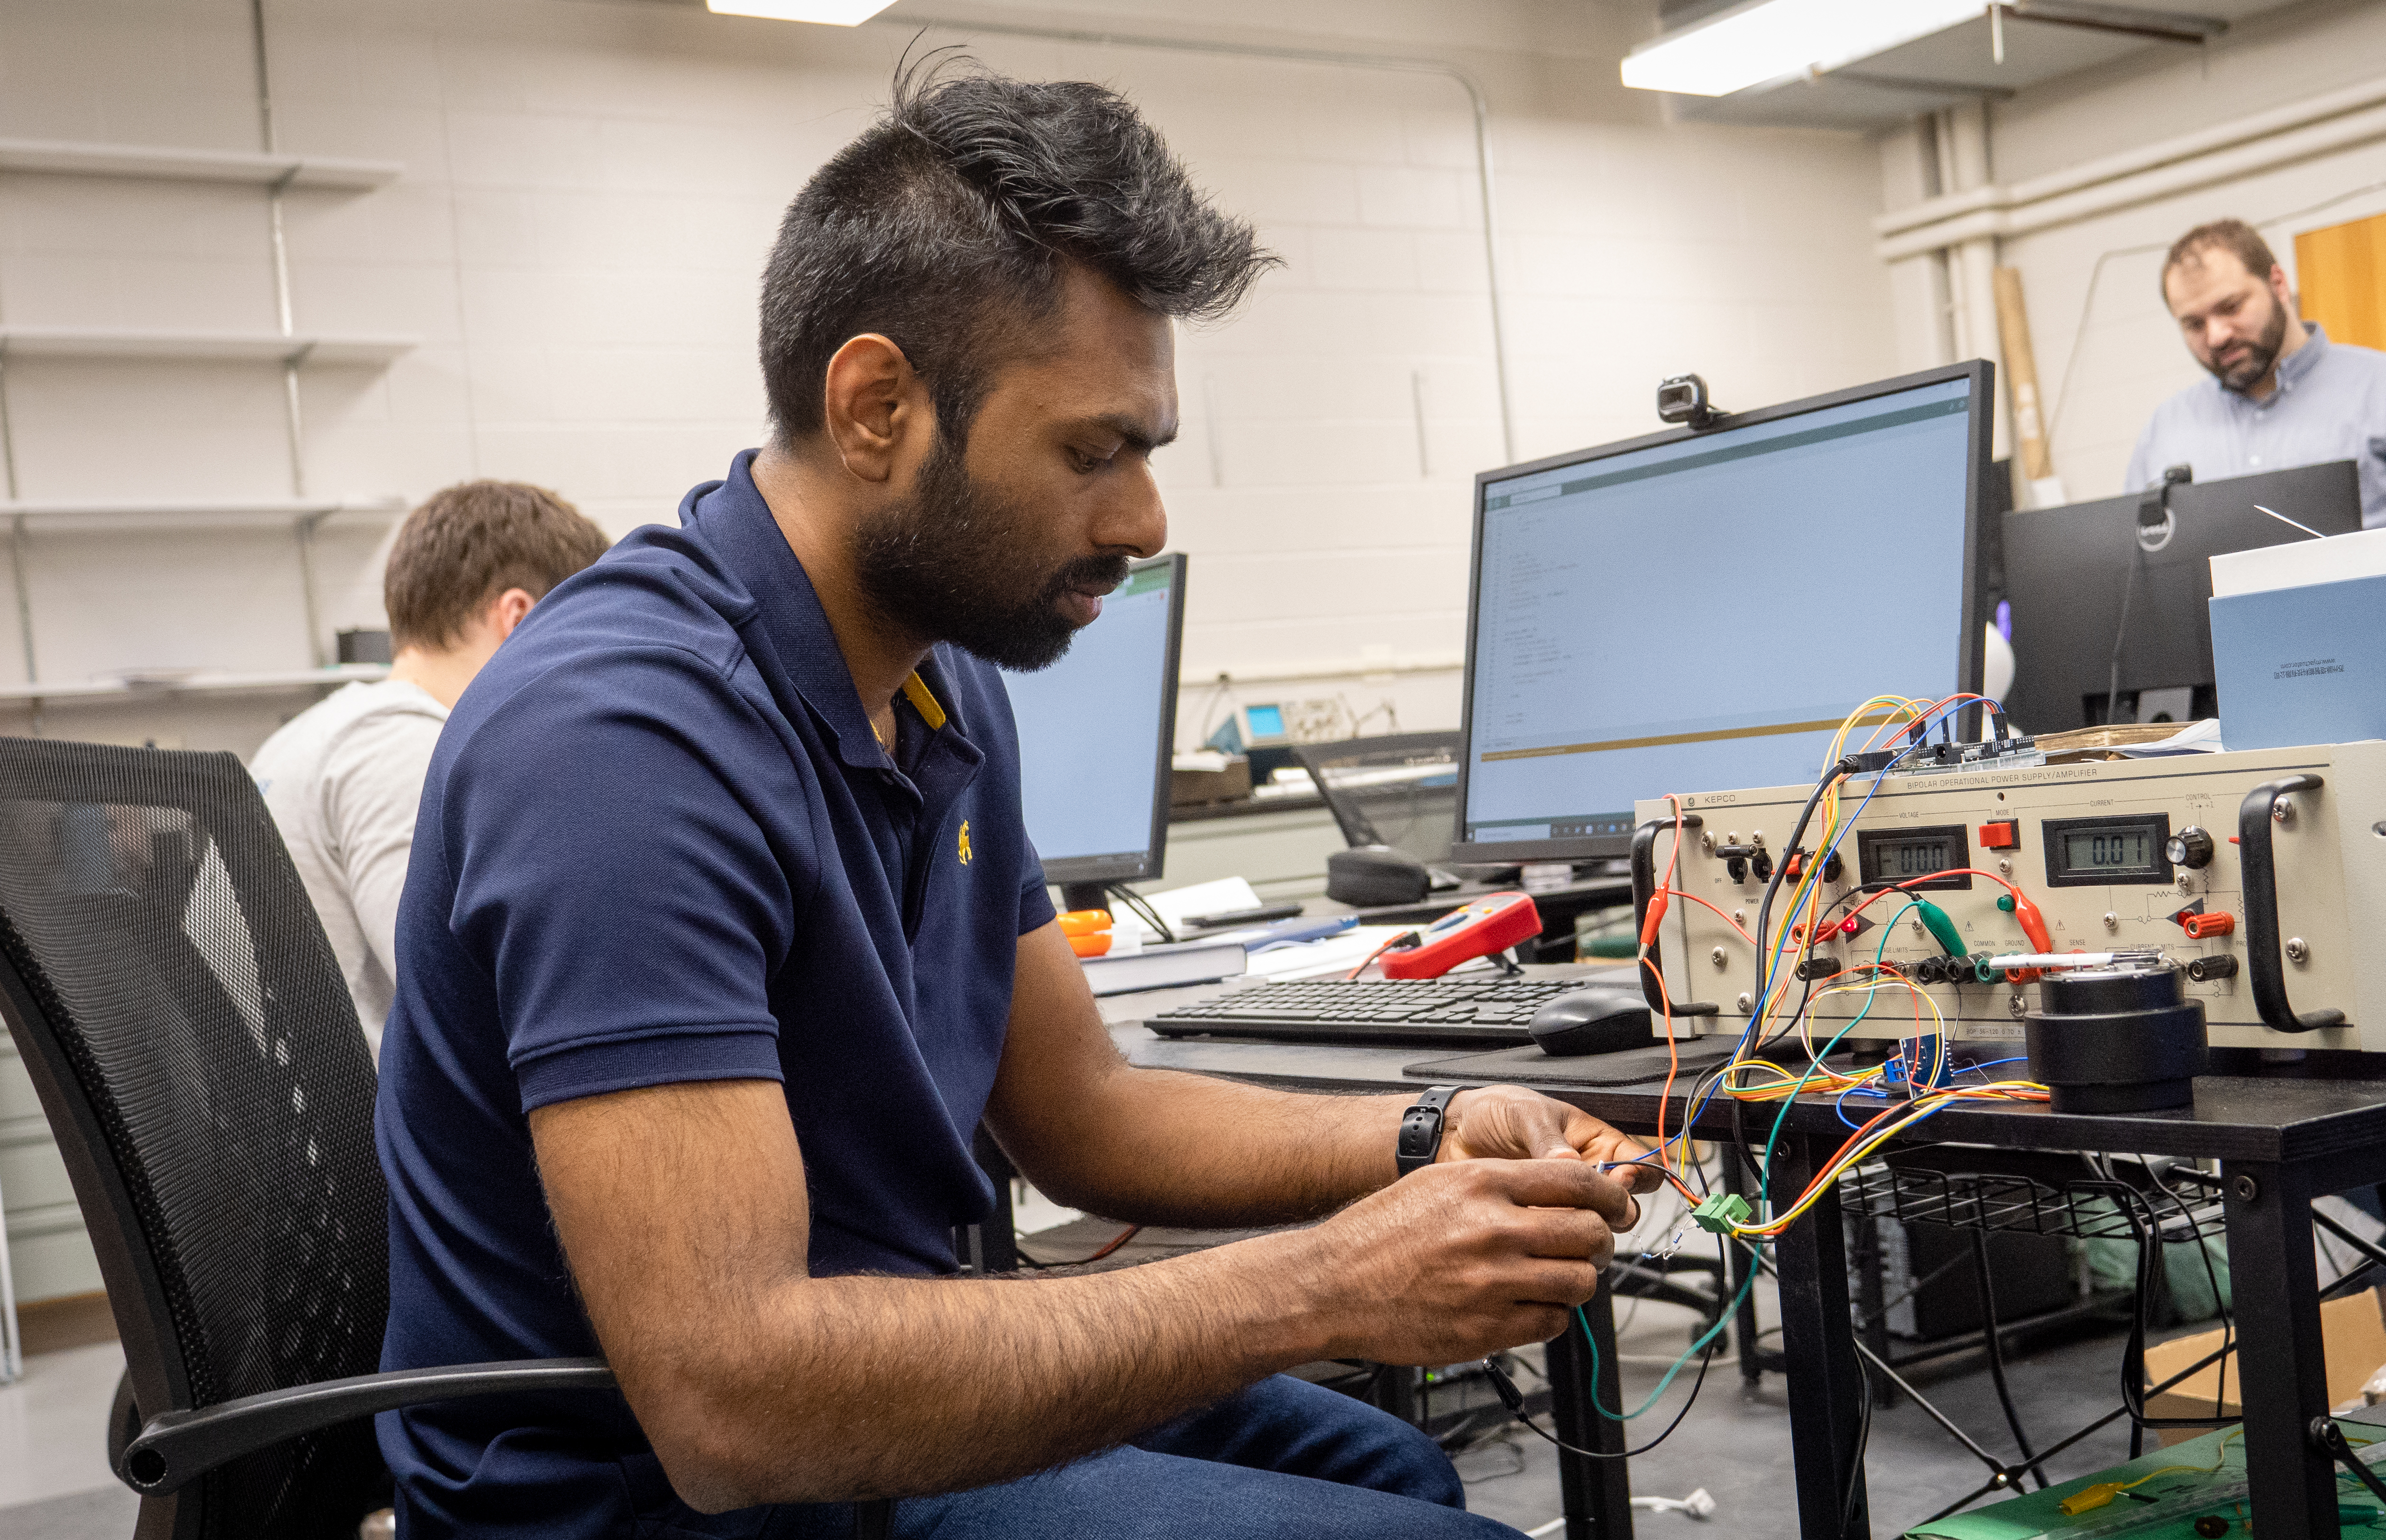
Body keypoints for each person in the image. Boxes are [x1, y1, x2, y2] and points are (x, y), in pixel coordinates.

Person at [376, 64, 1662, 1540]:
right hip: (659, 1496)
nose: (1142, 519)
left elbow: (1082, 1110)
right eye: (1089, 450)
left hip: (850, 1392)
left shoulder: (938, 678)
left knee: (1389, 1467)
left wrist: (1428, 1132)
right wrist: (1328, 1277)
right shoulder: (618, 737)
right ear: (876, 405)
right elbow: (732, 1399)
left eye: (1146, 452)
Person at [250, 480, 606, 1056]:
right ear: (518, 617)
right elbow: (474, 1002)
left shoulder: (309, 735)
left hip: (285, 1123)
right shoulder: (405, 749)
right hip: (368, 1138)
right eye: (579, 638)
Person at [2125, 219, 2386, 528]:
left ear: (2278, 284)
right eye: (2194, 324)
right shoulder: (2165, 432)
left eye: (2231, 306)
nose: (2217, 335)